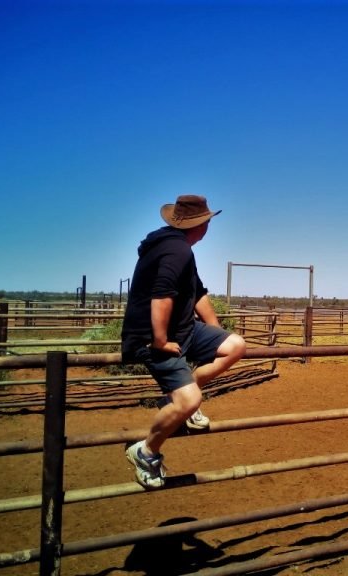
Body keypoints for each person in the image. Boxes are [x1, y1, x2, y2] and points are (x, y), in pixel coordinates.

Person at [121, 195, 246, 489]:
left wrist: (215, 332)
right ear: (201, 224)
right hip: (150, 336)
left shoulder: (177, 247)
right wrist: (160, 340)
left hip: (184, 329)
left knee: (235, 345)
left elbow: (197, 292)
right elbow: (162, 295)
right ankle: (145, 452)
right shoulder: (176, 250)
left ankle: (184, 399)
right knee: (189, 400)